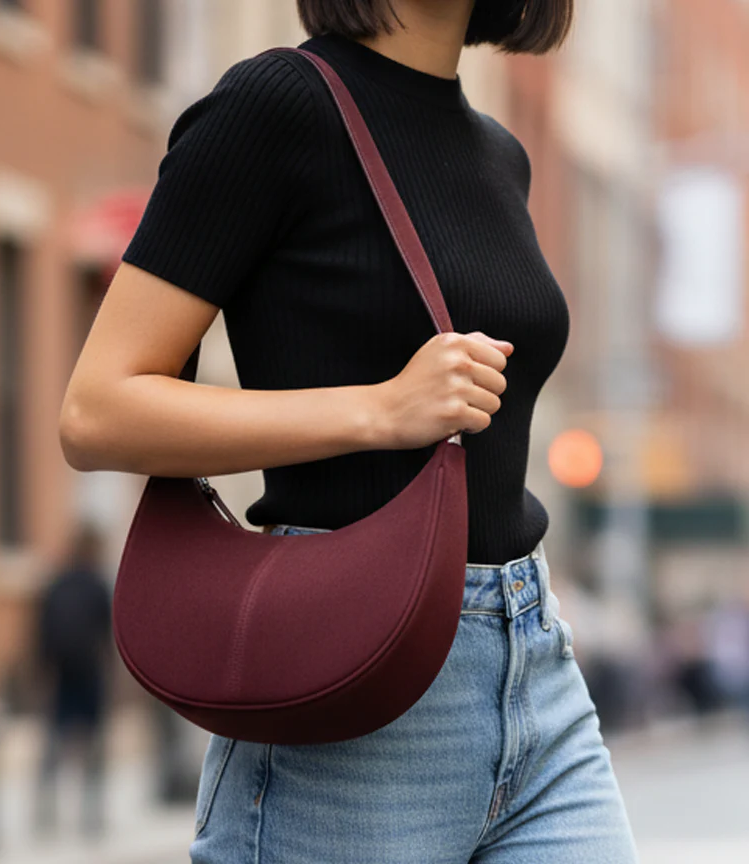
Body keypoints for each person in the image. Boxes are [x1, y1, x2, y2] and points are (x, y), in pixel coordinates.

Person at [59, 0, 639, 860]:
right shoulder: (275, 107)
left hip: (535, 672)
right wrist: (382, 408)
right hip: (349, 692)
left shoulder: (499, 155)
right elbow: (97, 412)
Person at [34, 522, 112, 837]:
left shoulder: (56, 584)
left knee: (53, 744)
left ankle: (44, 812)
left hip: (61, 674)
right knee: (93, 747)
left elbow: (41, 633)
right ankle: (91, 815)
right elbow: (108, 636)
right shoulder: (98, 585)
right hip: (90, 674)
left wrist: (41, 674)